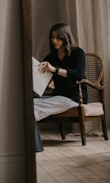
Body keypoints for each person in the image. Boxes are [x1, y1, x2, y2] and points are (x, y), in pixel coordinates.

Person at [34, 22, 87, 152]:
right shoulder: (50, 57)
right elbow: (44, 79)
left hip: (73, 98)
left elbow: (79, 74)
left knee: (32, 109)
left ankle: (34, 145)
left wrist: (55, 69)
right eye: (52, 37)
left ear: (65, 37)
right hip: (57, 95)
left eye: (58, 37)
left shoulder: (78, 53)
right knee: (26, 104)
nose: (54, 40)